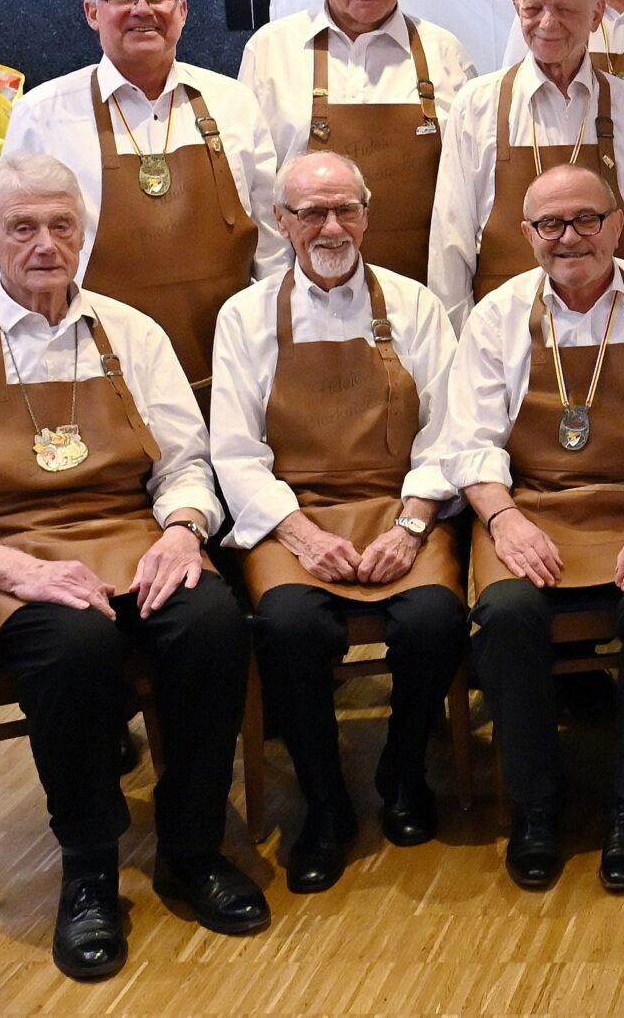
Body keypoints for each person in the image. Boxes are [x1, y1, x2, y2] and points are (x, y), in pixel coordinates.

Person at [0, 153, 266, 980]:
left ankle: (192, 849)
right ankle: (89, 869)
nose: (45, 245)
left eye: (62, 225)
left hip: (129, 537)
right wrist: (20, 573)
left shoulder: (132, 334)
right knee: (75, 645)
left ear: (84, 233)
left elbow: (183, 463)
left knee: (211, 625)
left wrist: (183, 531)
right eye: (22, 227)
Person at [440, 164, 624, 894]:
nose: (570, 238)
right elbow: (470, 443)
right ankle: (535, 806)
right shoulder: (496, 316)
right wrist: (504, 521)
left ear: (617, 225)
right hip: (529, 508)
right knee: (505, 613)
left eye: (587, 219)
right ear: (527, 235)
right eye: (551, 224)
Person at [211, 151, 464, 895]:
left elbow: (450, 433)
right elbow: (235, 451)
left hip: (398, 504)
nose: (330, 227)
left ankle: (403, 771)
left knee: (434, 619)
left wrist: (411, 526)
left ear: (366, 214)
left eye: (345, 209)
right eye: (311, 212)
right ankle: (324, 804)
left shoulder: (415, 306)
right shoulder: (244, 317)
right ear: (281, 222)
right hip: (294, 514)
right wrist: (302, 535)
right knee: (288, 627)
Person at [2, 0, 283, 401]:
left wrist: (278, 339)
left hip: (229, 367)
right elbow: (11, 256)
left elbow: (272, 242)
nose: (142, 10)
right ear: (92, 12)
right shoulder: (43, 114)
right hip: (96, 370)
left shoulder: (234, 103)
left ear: (182, 9)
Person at [237, 0, 479, 284]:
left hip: (426, 292)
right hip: (305, 293)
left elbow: (468, 196)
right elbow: (257, 193)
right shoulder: (271, 51)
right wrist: (277, 291)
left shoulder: (445, 54)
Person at [432, 0, 624, 325]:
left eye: (564, 9)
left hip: (613, 330)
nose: (547, 23)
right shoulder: (477, 105)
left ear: (596, 14)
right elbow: (450, 244)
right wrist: (459, 342)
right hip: (503, 335)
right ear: (517, 8)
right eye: (533, 8)